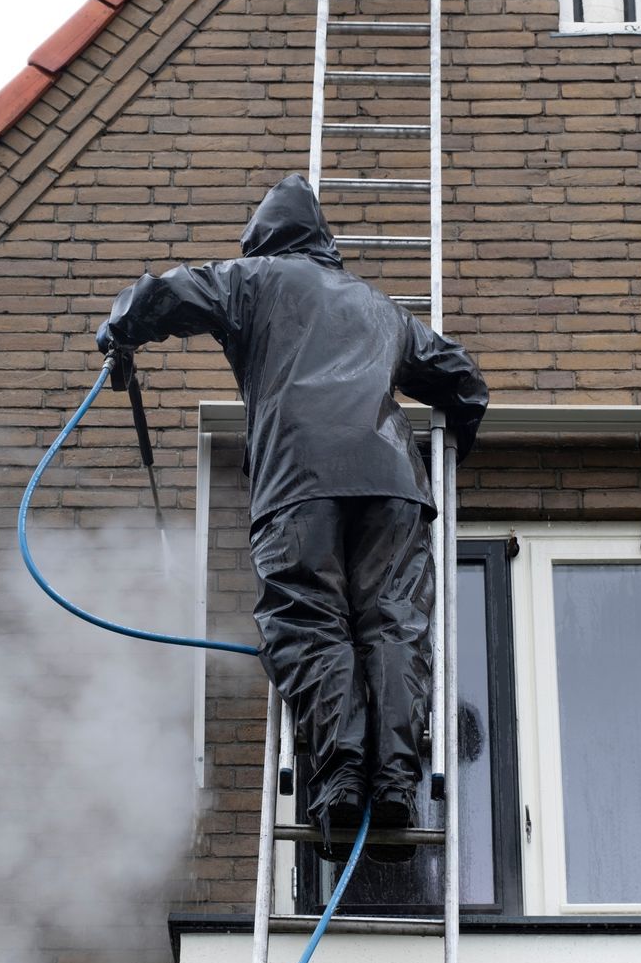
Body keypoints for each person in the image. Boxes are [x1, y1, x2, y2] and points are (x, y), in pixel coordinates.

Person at [97, 173, 488, 863]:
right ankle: (397, 780)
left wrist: (122, 326)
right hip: (393, 484)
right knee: (394, 622)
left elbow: (170, 293)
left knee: (310, 617)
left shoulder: (251, 281)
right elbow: (462, 378)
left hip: (300, 482)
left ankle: (340, 781)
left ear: (262, 241)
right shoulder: (380, 310)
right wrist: (461, 427)